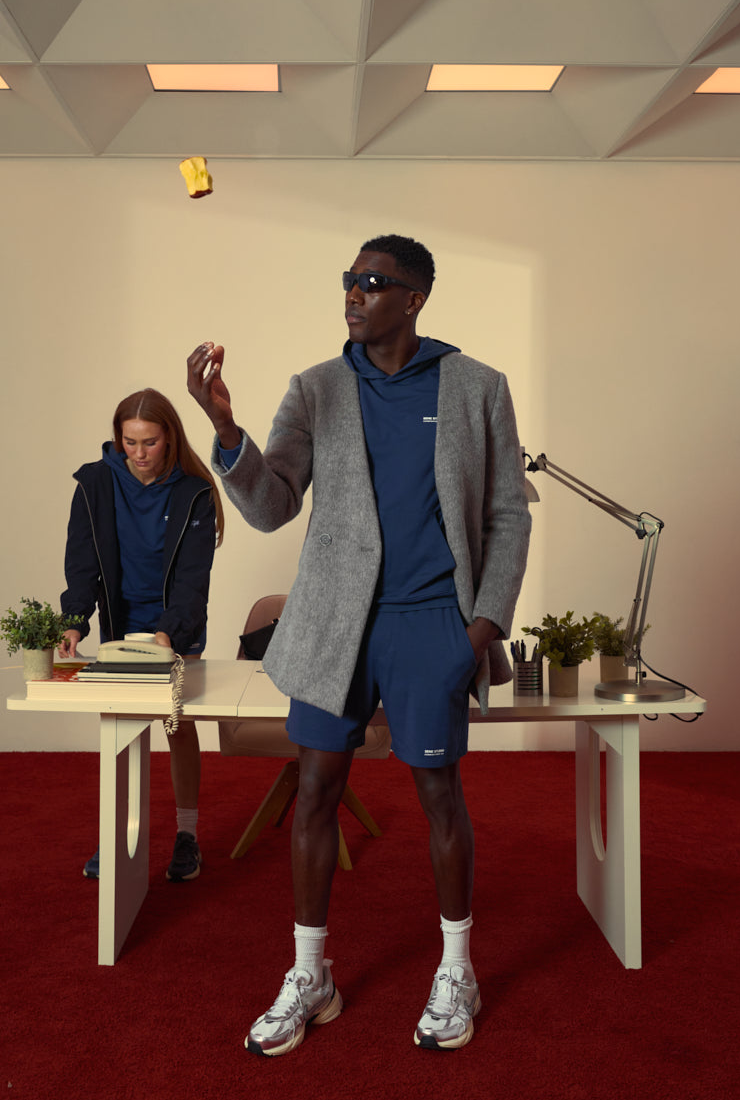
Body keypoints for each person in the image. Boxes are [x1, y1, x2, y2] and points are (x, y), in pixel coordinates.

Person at [187, 234, 531, 1055]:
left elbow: (507, 514)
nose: (354, 293)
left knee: (439, 795)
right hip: (336, 621)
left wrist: (479, 630)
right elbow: (272, 505)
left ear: (414, 298)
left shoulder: (478, 386)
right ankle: (311, 975)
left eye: (374, 282)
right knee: (314, 790)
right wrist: (226, 429)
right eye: (349, 279)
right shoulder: (317, 389)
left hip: (432, 624)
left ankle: (458, 970)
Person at [59, 387, 224, 881]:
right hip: (121, 624)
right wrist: (74, 621)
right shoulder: (94, 484)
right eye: (129, 442)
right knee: (122, 728)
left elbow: (193, 581)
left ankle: (187, 835)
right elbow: (82, 563)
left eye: (149, 442)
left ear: (168, 437)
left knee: (177, 725)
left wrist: (169, 634)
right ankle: (116, 835)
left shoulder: (193, 492)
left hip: (177, 625)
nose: (139, 453)